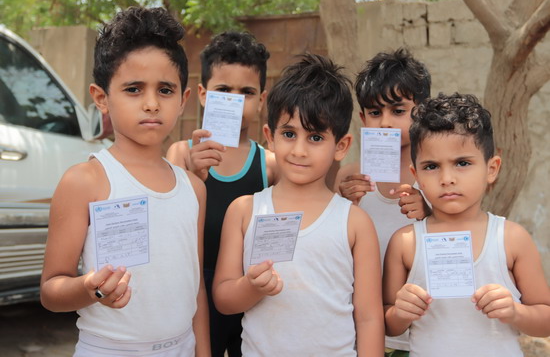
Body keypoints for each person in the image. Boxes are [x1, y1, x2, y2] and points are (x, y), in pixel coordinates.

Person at [40, 7, 210, 357]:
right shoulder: (85, 181)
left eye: (165, 90)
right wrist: (91, 288)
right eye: (134, 89)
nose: (151, 104)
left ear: (183, 100)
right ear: (101, 98)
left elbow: (195, 290)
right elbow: (51, 290)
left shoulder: (193, 189)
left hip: (183, 347)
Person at [213, 54, 384, 356]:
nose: (300, 150)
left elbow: (369, 318)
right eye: (289, 134)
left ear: (340, 146)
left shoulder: (355, 223)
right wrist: (251, 287)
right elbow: (223, 299)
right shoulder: (244, 211)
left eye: (316, 137)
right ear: (270, 137)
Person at [383, 92, 550, 357]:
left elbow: (545, 320)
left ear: (492, 168)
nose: (447, 178)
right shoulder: (405, 243)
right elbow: (388, 323)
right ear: (415, 174)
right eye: (431, 166)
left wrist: (515, 311)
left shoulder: (510, 238)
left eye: (462, 163)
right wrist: (401, 313)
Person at [166, 30, 277, 357]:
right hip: (195, 293)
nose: (235, 100)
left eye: (247, 92)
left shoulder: (270, 164)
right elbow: (171, 227)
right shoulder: (181, 154)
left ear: (262, 100)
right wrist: (193, 177)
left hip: (253, 291)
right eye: (223, 90)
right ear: (202, 94)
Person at [333, 48, 431, 356]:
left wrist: (430, 211)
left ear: (421, 111)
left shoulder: (435, 178)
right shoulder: (349, 177)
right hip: (362, 331)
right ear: (362, 118)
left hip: (425, 331)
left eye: (398, 111)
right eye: (375, 113)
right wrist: (341, 204)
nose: (385, 123)